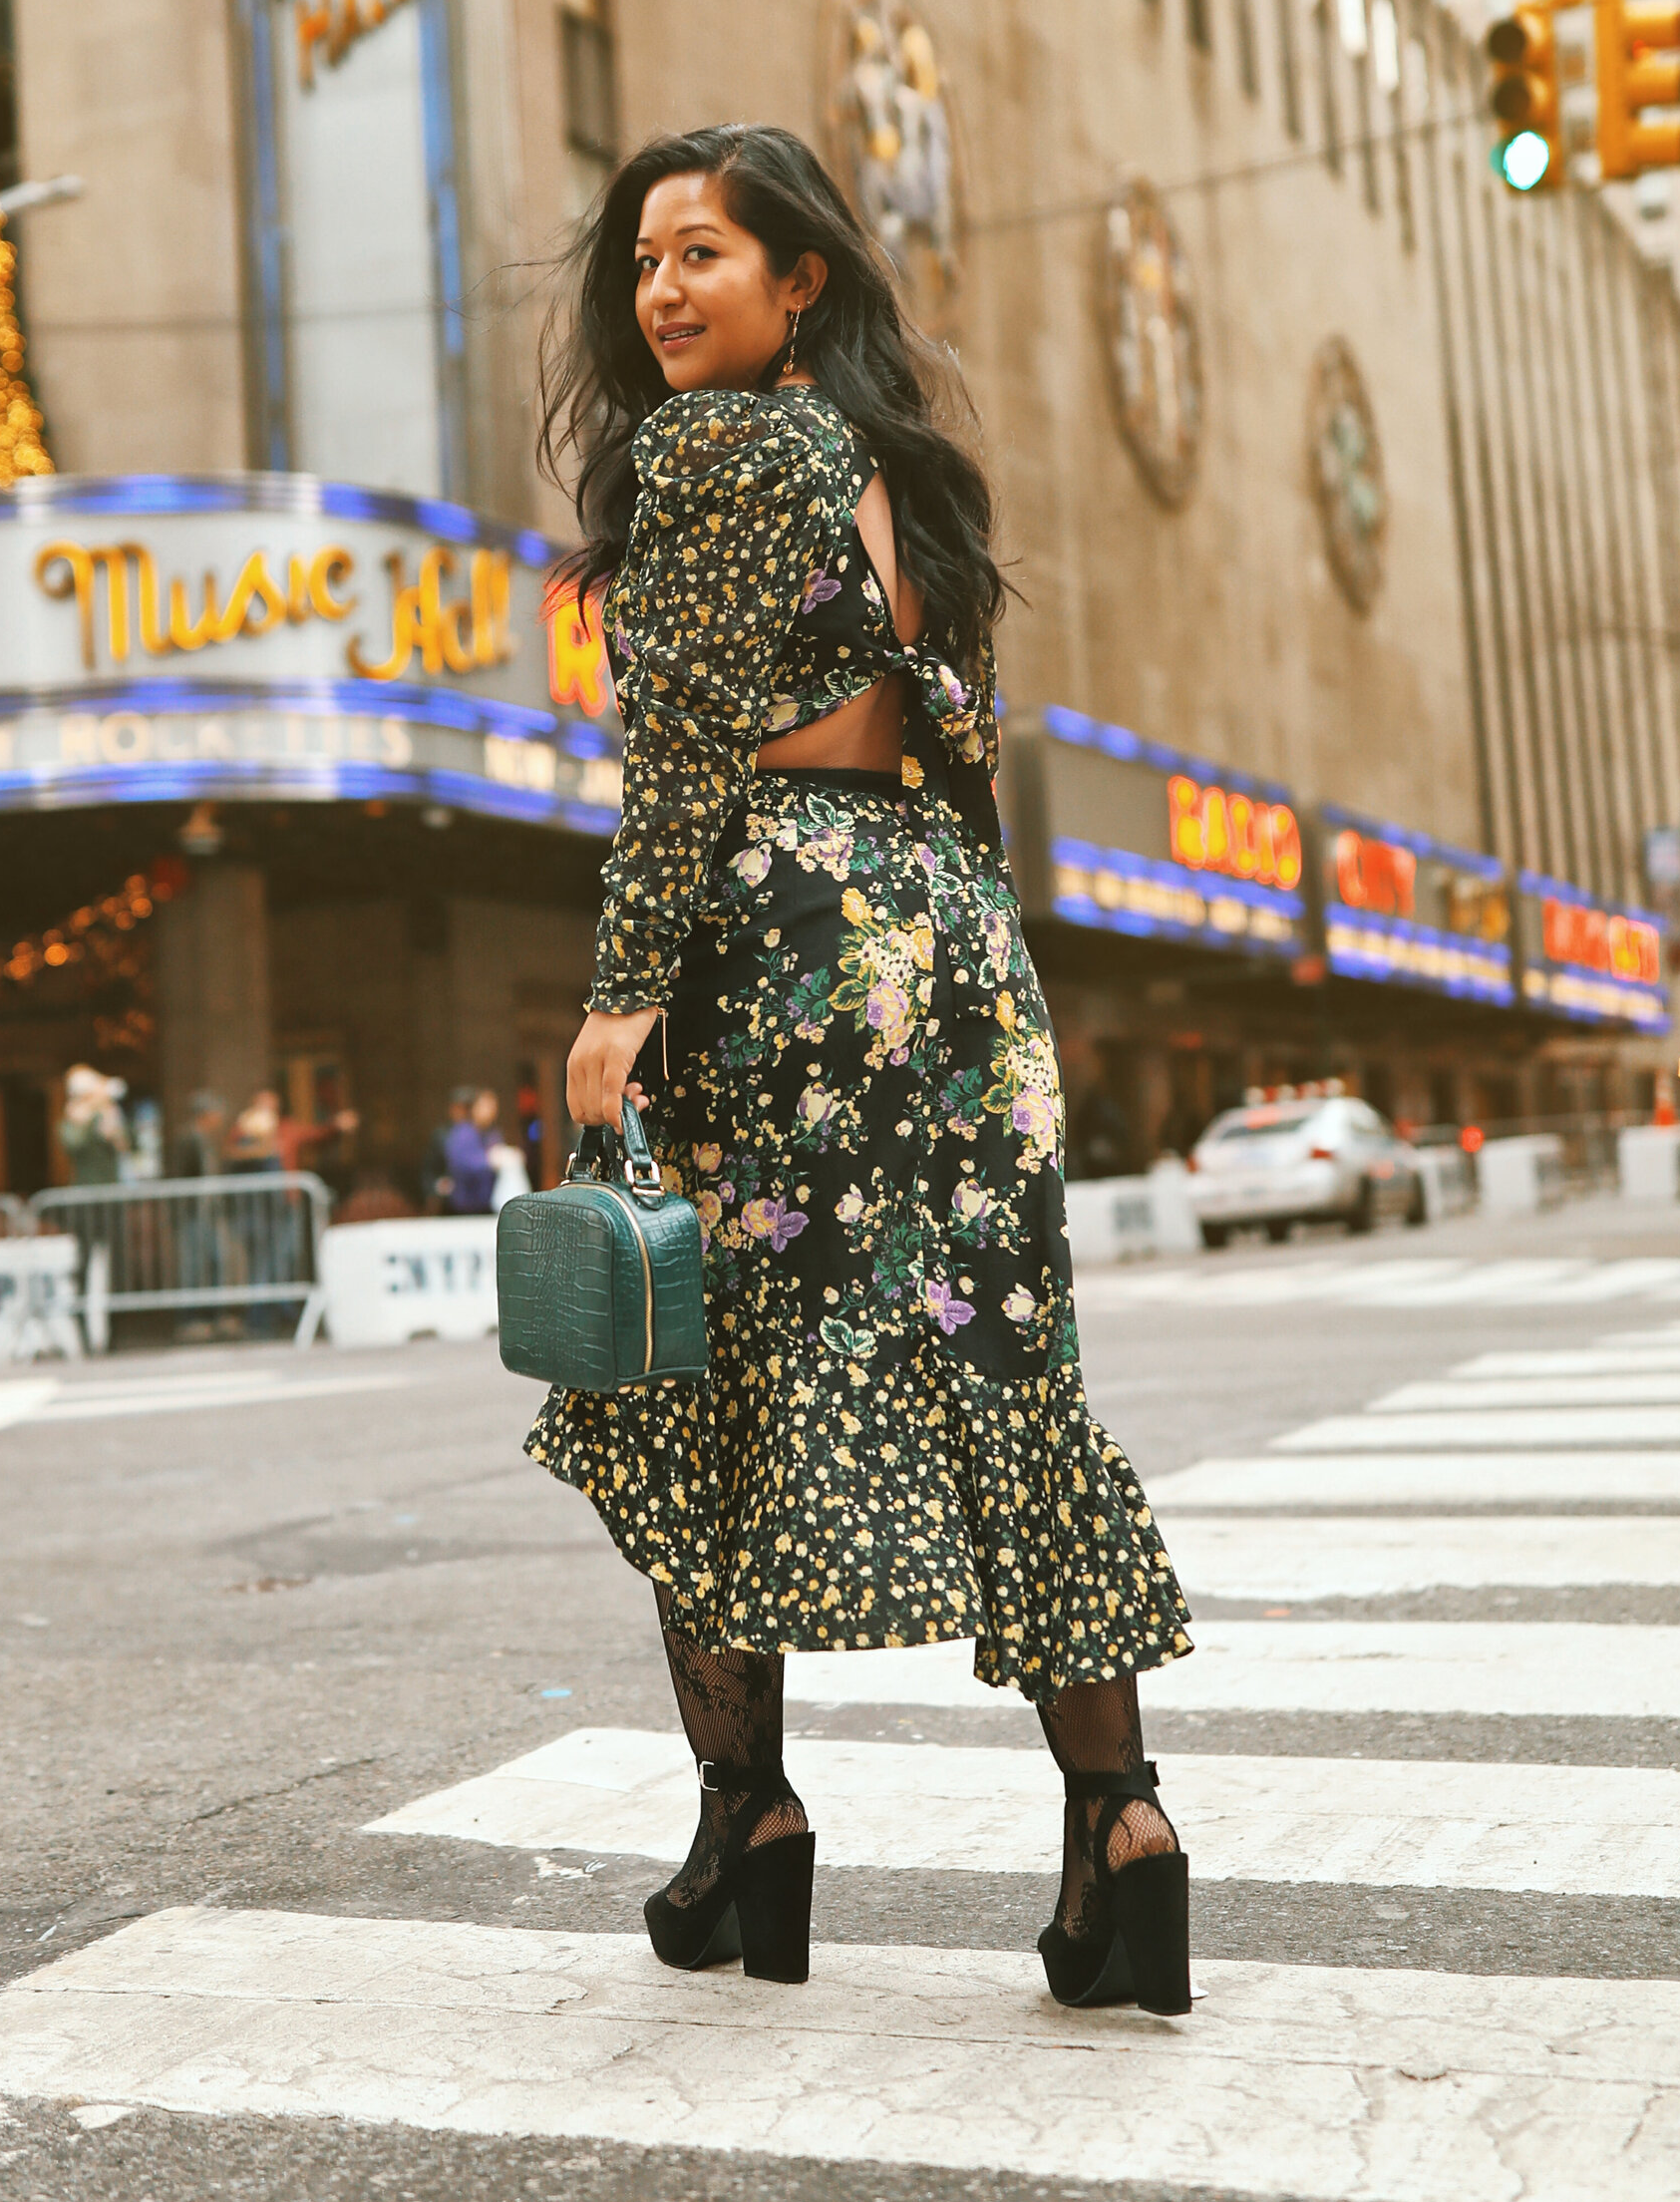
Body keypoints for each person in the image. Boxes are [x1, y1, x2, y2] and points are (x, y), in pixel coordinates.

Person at [530, 125, 1193, 2008]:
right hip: (953, 947)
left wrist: (619, 995)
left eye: (704, 257)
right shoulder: (902, 470)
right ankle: (1120, 1826)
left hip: (787, 947)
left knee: (694, 1374)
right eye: (644, 260)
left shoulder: (716, 453)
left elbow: (678, 756)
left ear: (797, 277)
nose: (662, 291)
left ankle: (749, 1826)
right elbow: (955, 747)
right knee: (1007, 1370)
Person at [57, 1065, 128, 1187]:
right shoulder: (72, 1120)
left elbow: (123, 1146)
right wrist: (82, 1120)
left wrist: (109, 1115)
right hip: (85, 1188)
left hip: (112, 1188)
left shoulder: (106, 1113)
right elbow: (73, 1145)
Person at [441, 1088, 500, 1217]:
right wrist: (489, 1161)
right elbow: (460, 1163)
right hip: (465, 1206)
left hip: (487, 1204)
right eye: (485, 1106)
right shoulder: (463, 1133)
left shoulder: (493, 1135)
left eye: (493, 1107)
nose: (489, 1111)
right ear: (474, 1108)